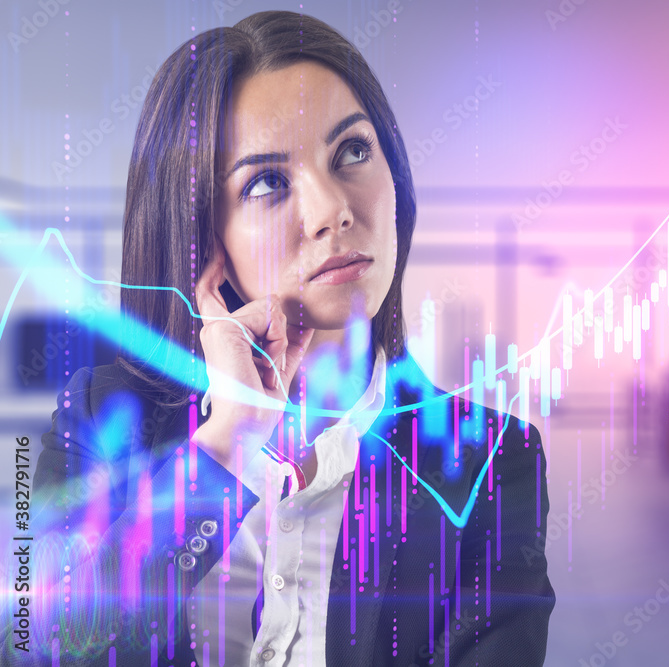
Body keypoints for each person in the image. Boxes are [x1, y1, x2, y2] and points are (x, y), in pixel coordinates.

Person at [20, 10, 554, 666]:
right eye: (267, 182)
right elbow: (42, 648)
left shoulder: (490, 460)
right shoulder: (103, 418)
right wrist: (224, 449)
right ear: (203, 241)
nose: (333, 209)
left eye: (352, 150)